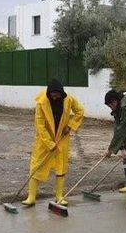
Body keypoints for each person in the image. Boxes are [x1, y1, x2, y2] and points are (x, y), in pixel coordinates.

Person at [22, 79, 85, 207]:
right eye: (53, 95)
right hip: (44, 140)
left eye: (57, 95)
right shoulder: (41, 102)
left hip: (62, 138)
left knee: (61, 166)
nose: (55, 97)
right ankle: (31, 197)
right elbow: (39, 125)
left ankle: (59, 196)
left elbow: (80, 111)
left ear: (61, 93)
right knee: (37, 165)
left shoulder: (69, 99)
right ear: (49, 93)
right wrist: (50, 144)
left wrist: (70, 125)